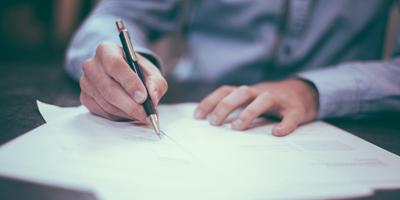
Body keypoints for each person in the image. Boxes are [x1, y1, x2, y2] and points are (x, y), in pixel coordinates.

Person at [65, 0, 400, 137]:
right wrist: (127, 64)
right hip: (198, 108)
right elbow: (119, 13)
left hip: (342, 123)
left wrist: (313, 89)